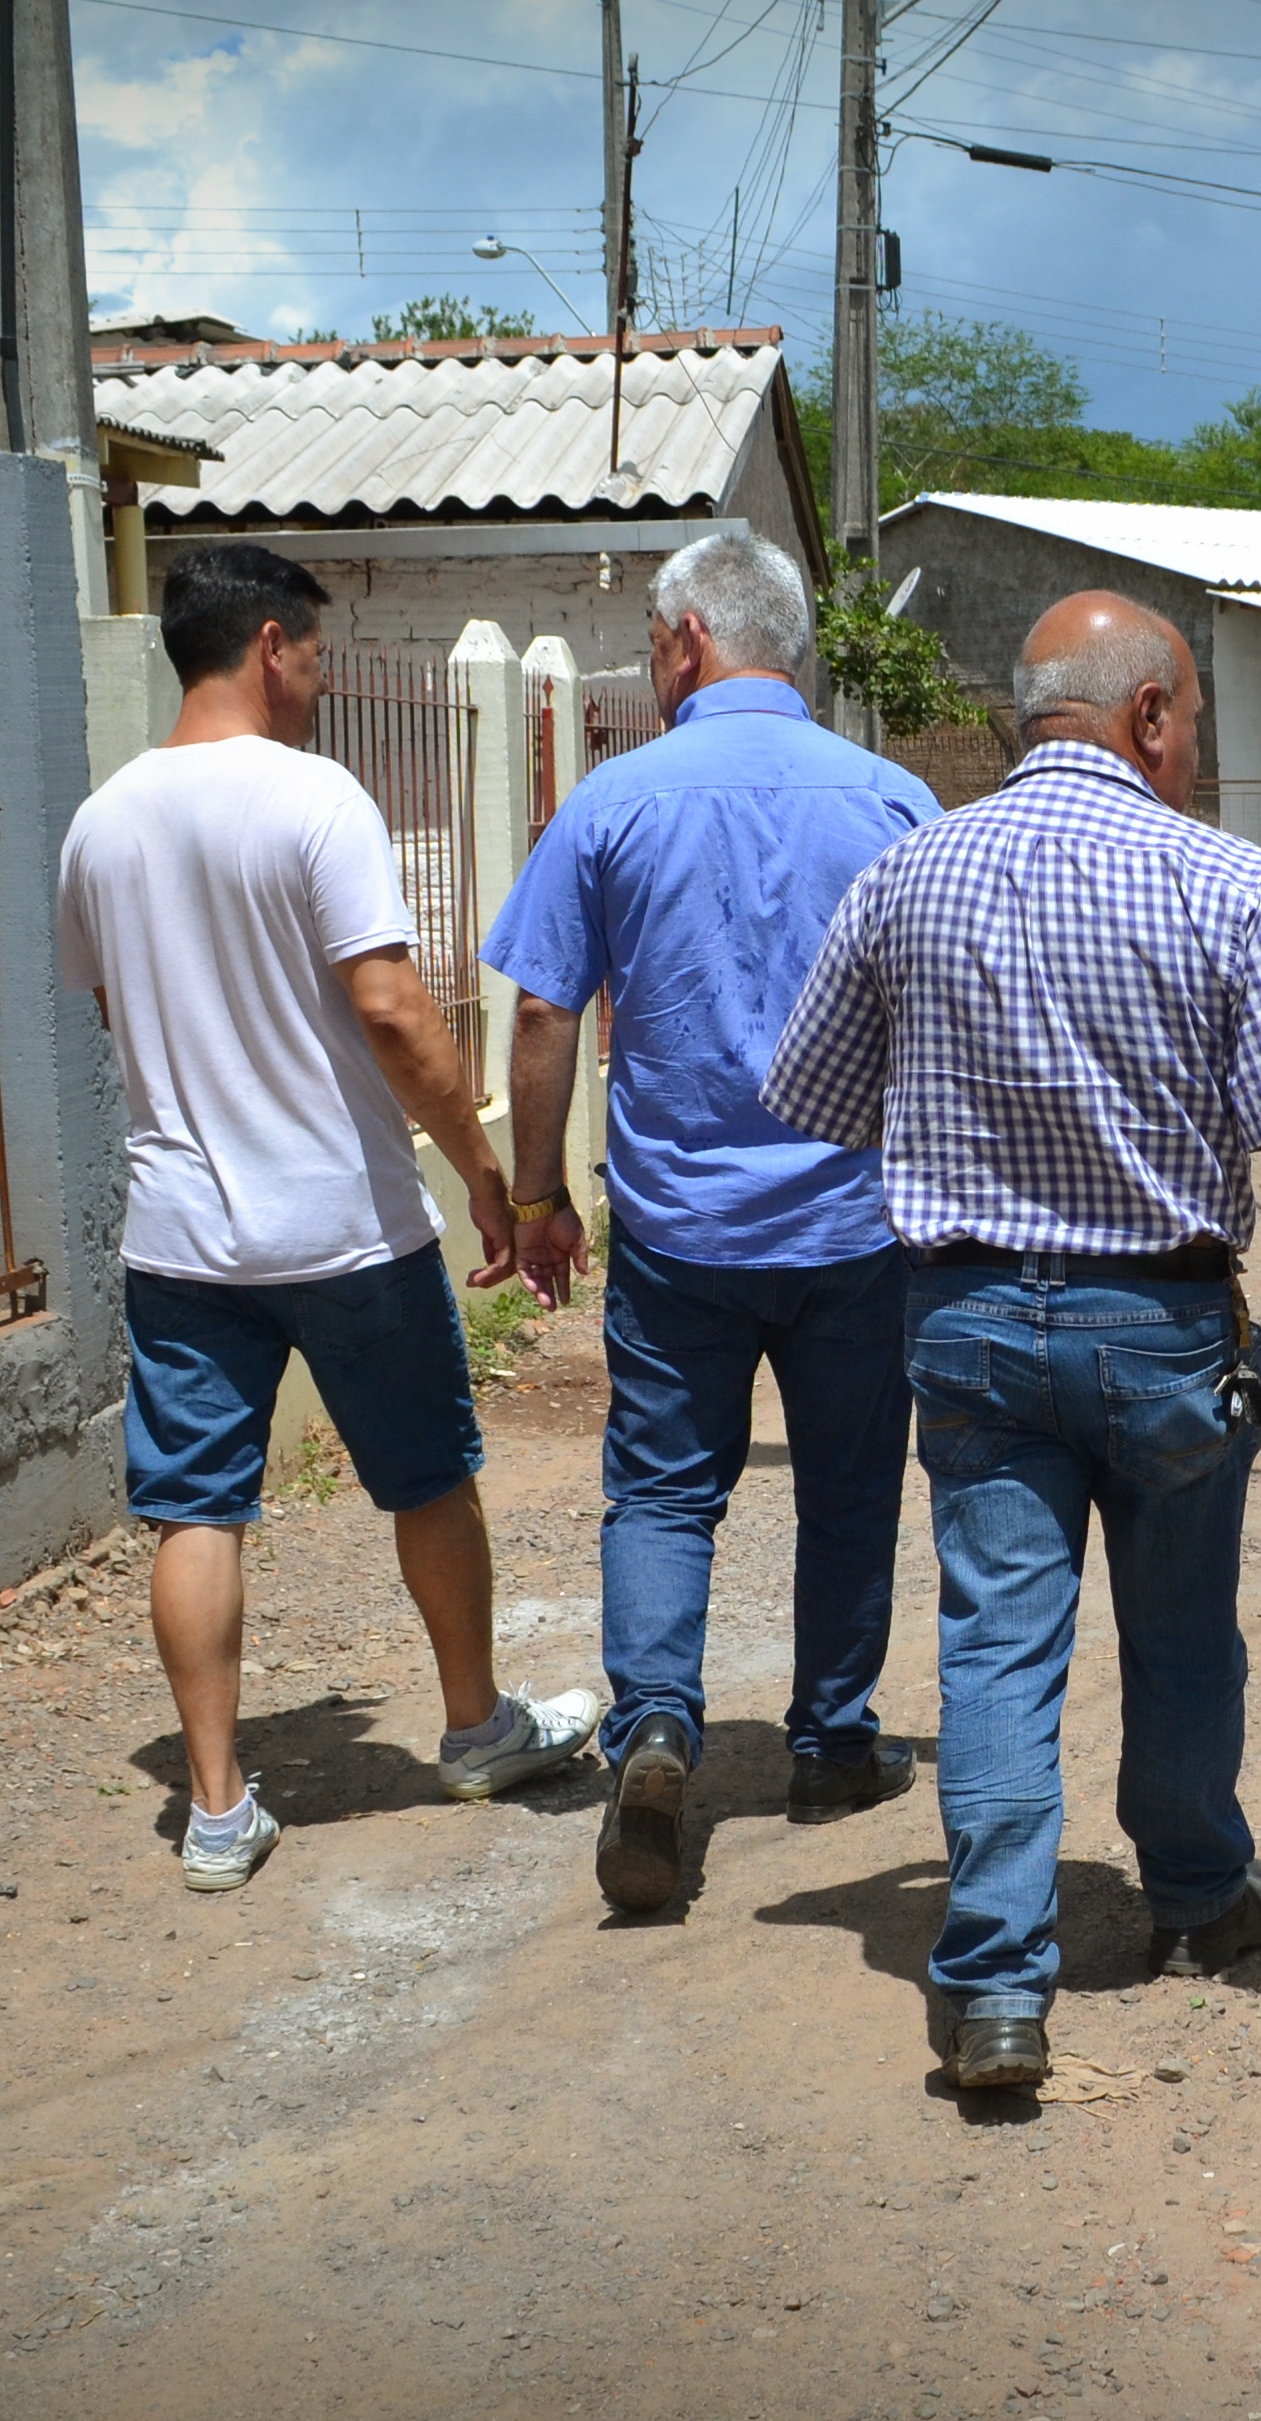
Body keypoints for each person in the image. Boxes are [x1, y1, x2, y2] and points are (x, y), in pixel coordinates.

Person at [765, 592, 1261, 2094]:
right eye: (1189, 721)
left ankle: (991, 1979)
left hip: (970, 1318)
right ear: (1154, 717)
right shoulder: (1229, 885)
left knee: (996, 1641)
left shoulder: (907, 876)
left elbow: (817, 1097)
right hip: (1163, 1327)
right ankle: (1194, 1896)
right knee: (1182, 1632)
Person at [55, 541, 600, 1894]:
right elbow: (393, 1011)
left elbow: (117, 1009)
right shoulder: (314, 799)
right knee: (426, 1477)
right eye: (314, 650)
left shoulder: (101, 821)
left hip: (181, 1233)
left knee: (195, 1508)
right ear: (267, 649)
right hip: (347, 1225)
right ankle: (475, 1726)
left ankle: (219, 1806)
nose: (320, 674)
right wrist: (484, 1171)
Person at [481, 531, 937, 1915]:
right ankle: (835, 1740)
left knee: (667, 1488)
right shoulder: (895, 800)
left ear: (687, 639)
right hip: (857, 1227)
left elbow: (548, 1009)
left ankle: (661, 1727)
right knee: (853, 1487)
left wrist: (542, 1192)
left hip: (680, 1234)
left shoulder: (614, 803)